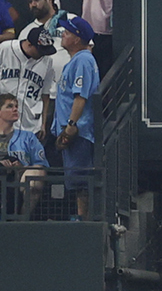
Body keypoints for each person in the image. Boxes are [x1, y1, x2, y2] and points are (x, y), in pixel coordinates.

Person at [52, 15, 97, 221]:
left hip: (78, 131)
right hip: (70, 130)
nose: (63, 34)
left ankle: (83, 220)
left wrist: (71, 124)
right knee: (75, 180)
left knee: (81, 181)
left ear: (77, 39)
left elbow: (81, 97)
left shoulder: (83, 60)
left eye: (67, 32)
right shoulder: (76, 60)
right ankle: (80, 217)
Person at [0, 26, 56, 151]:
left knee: (28, 165)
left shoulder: (47, 62)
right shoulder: (6, 48)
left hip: (30, 124)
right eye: (41, 50)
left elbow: (45, 95)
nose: (43, 53)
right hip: (4, 123)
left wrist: (43, 123)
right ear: (30, 44)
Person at [0, 92, 48, 219]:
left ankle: (21, 220)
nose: (15, 109)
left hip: (18, 183)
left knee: (36, 173)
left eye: (16, 106)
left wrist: (23, 168)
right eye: (10, 106)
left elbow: (41, 165)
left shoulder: (28, 137)